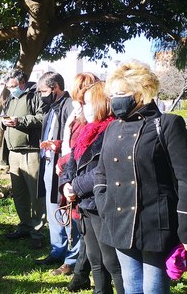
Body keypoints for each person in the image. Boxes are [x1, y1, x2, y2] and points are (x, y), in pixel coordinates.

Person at [95, 60, 187, 294]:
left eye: (121, 94)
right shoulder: (112, 128)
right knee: (131, 285)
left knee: (154, 288)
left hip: (156, 223)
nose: (115, 100)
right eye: (112, 95)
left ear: (140, 93)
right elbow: (101, 173)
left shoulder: (168, 124)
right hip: (119, 220)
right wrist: (104, 204)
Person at [59, 82, 123, 294]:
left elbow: (103, 170)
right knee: (95, 258)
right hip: (83, 204)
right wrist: (65, 184)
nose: (83, 108)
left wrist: (75, 186)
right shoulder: (86, 131)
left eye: (87, 103)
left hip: (101, 202)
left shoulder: (114, 130)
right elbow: (71, 163)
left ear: (101, 103)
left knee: (111, 260)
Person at [35, 71, 81, 277]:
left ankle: (72, 259)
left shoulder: (70, 105)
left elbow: (75, 141)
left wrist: (58, 145)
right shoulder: (51, 107)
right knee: (53, 208)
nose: (41, 95)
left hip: (63, 166)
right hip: (48, 163)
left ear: (56, 88)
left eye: (44, 91)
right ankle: (57, 250)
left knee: (67, 212)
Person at [61, 73, 100, 291]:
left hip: (88, 185)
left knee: (89, 234)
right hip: (74, 179)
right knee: (84, 230)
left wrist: (74, 183)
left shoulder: (94, 119)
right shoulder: (78, 116)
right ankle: (81, 273)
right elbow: (74, 150)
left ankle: (81, 274)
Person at [0, 69, 46, 249]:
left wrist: (20, 121)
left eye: (13, 86)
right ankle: (25, 225)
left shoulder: (35, 96)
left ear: (22, 83)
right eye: (8, 86)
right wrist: (3, 121)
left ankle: (38, 231)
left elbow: (42, 117)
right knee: (19, 193)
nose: (11, 89)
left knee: (35, 193)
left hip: (31, 151)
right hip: (14, 153)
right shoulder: (10, 99)